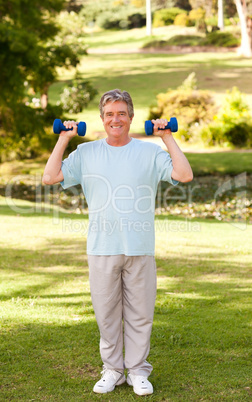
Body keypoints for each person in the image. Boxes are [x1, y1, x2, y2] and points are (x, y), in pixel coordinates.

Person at [42, 89, 193, 396]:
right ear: (102, 118)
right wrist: (64, 139)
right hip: (101, 246)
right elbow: (50, 177)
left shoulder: (150, 152)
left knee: (140, 313)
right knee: (107, 314)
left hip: (139, 246)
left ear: (131, 117)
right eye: (109, 114)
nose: (116, 119)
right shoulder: (86, 154)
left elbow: (184, 174)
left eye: (121, 113)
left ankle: (138, 371)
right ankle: (112, 369)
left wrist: (166, 137)